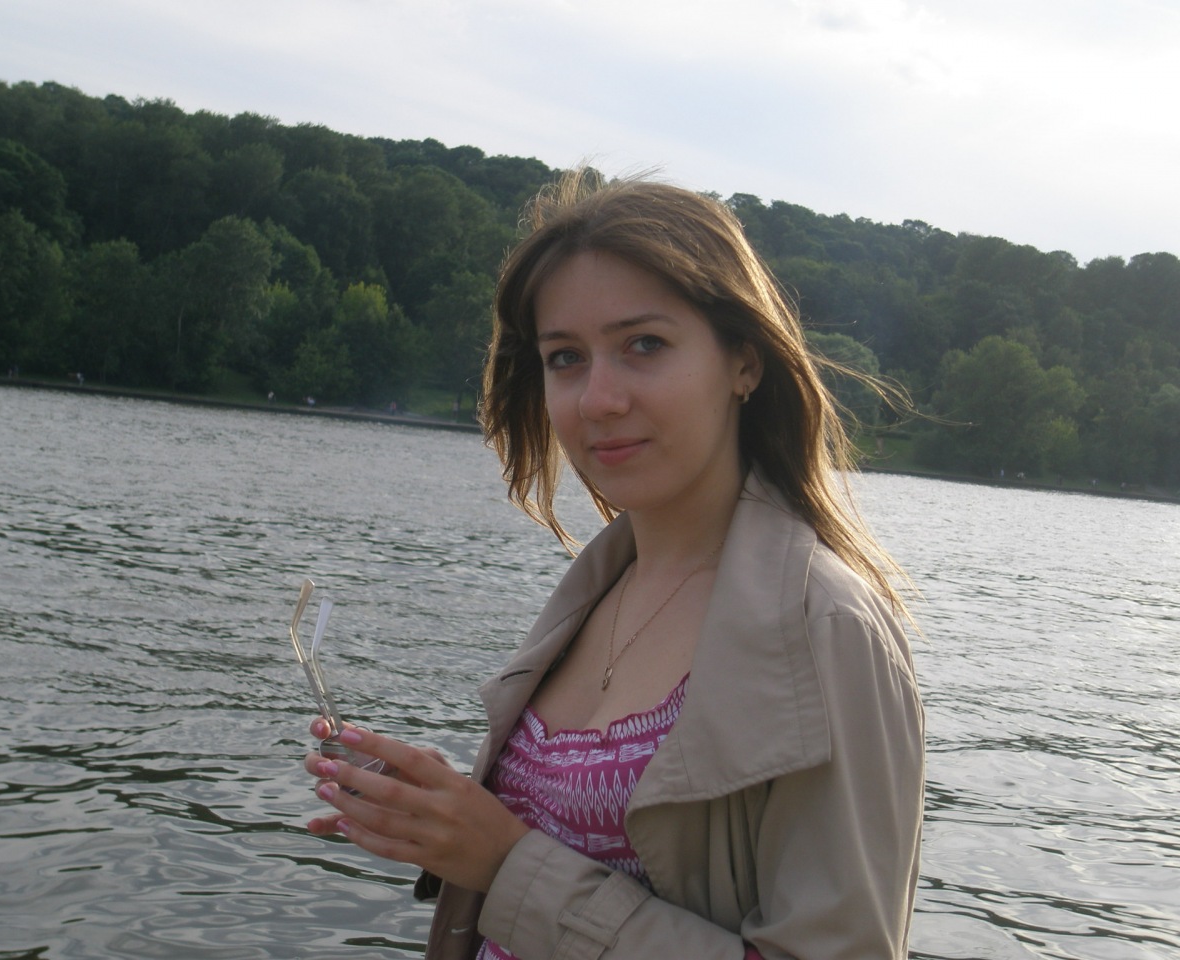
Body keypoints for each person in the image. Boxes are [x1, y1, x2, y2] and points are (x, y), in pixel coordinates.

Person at [304, 171, 925, 959]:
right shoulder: (595, 591)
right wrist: (445, 816)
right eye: (565, 357)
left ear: (743, 362)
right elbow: (550, 863)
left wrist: (506, 863)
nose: (598, 398)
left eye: (644, 345)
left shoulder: (826, 629)